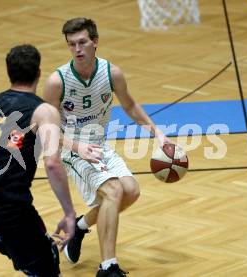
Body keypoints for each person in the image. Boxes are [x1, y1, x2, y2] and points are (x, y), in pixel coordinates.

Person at [43, 18, 171, 276]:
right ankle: (107, 267)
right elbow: (44, 128)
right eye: (71, 45)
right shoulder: (58, 82)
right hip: (71, 149)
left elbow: (131, 106)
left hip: (99, 144)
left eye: (82, 42)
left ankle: (79, 227)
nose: (77, 49)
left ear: (95, 42)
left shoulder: (112, 73)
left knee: (131, 191)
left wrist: (158, 133)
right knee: (113, 191)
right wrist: (77, 147)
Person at [0, 44, 76, 276]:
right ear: (39, 72)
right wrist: (69, 213)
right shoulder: (43, 111)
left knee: (30, 260)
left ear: (8, 72)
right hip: (11, 210)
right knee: (46, 263)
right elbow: (52, 164)